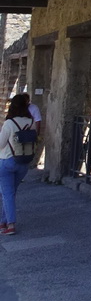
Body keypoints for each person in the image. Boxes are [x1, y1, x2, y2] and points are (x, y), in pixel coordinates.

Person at [0, 94, 36, 236]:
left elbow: (1, 144)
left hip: (7, 161)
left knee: (7, 193)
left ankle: (10, 224)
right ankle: (3, 221)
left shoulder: (9, 123)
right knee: (10, 193)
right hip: (24, 162)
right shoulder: (31, 121)